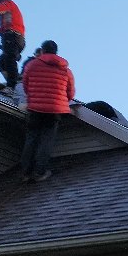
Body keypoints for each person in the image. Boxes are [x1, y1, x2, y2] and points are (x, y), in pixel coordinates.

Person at [20, 40, 74, 182]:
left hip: (36, 108)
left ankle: (26, 172)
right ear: (56, 52)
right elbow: (71, 93)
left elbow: (25, 85)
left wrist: (35, 97)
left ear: (42, 51)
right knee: (46, 140)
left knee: (31, 138)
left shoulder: (32, 65)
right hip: (55, 109)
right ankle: (40, 172)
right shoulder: (66, 70)